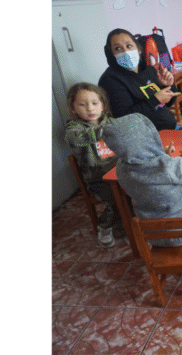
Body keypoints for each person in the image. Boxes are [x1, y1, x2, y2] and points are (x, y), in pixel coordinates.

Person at [102, 113, 182, 247]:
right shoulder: (166, 166)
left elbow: (144, 166)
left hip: (151, 234)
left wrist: (158, 154)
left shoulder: (121, 168)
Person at [63, 82, 120, 247]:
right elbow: (75, 138)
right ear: (73, 109)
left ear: (103, 105)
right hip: (98, 179)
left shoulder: (110, 121)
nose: (90, 108)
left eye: (95, 103)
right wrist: (104, 131)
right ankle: (104, 227)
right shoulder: (73, 128)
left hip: (121, 171)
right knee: (114, 201)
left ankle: (130, 218)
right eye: (82, 104)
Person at [98, 28, 182, 131]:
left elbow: (169, 102)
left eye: (129, 46)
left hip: (169, 128)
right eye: (118, 48)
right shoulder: (110, 79)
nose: (125, 52)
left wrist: (168, 85)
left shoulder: (149, 70)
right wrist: (156, 100)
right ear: (111, 54)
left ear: (139, 49)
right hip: (145, 138)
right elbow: (125, 118)